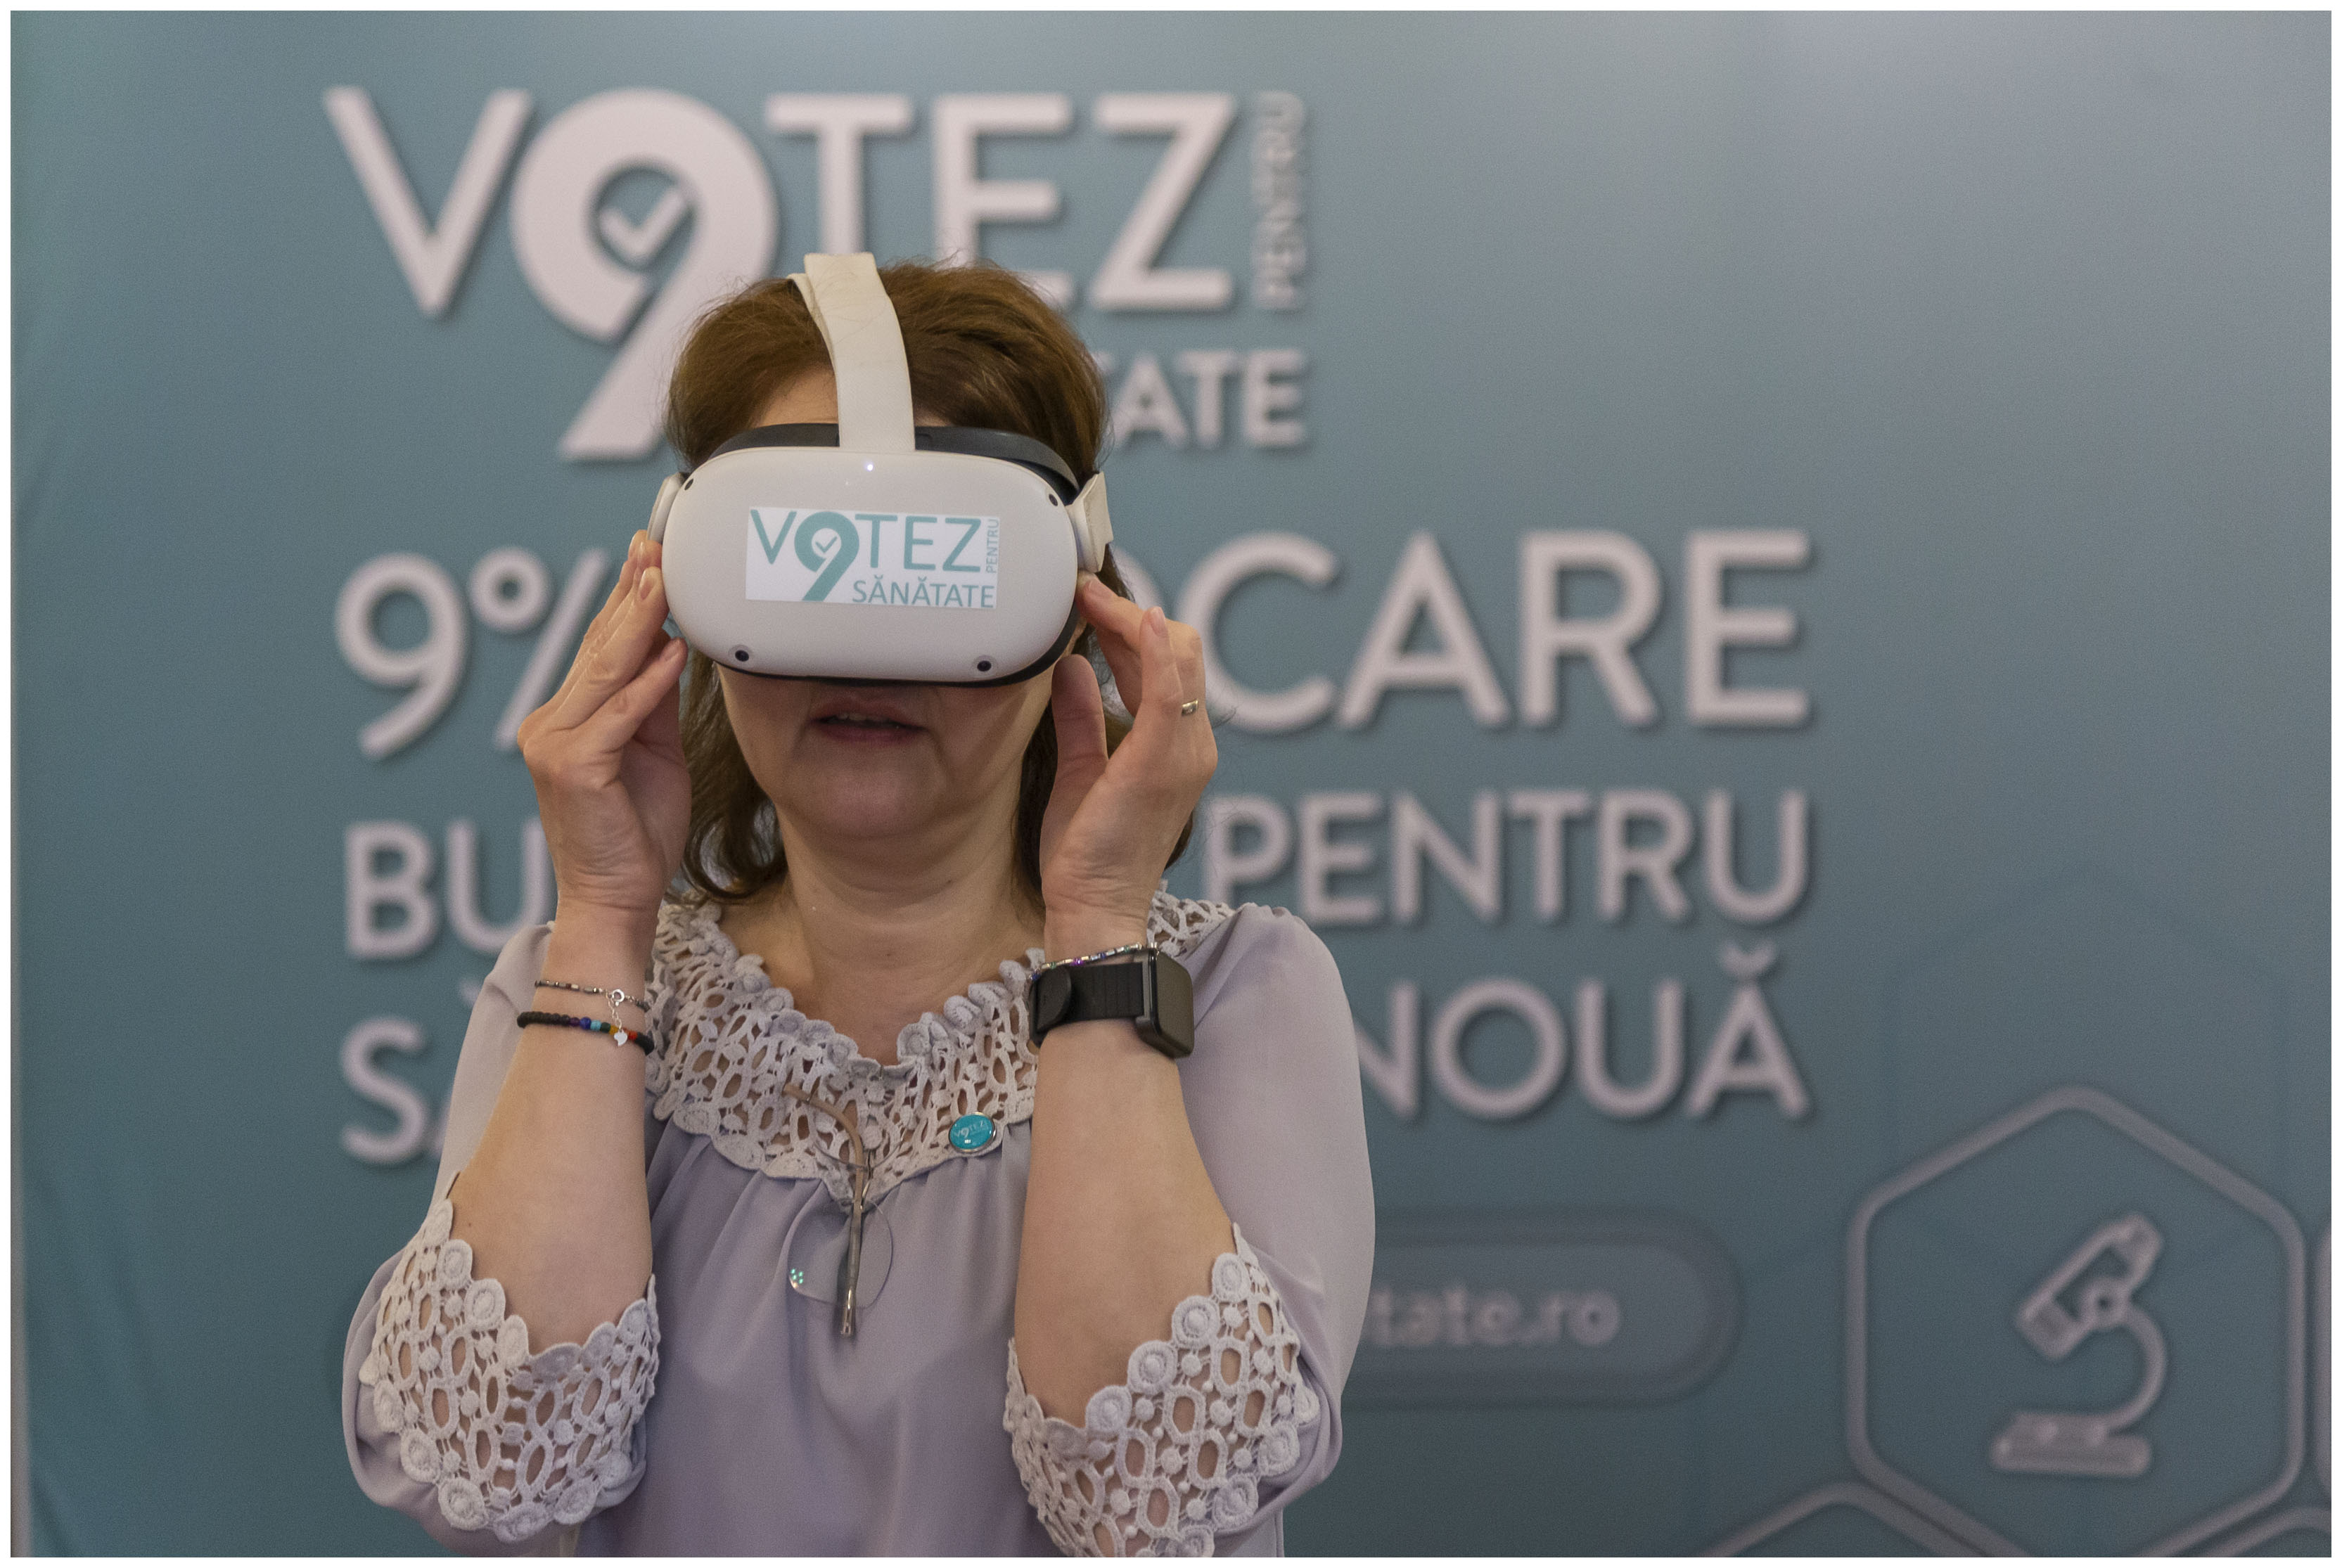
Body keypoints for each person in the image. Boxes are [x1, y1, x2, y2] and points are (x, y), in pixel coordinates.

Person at [340, 259, 1376, 1555]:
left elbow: (1147, 1495)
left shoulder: (1232, 995)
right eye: (804, 562)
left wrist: (1101, 929)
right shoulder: (567, 988)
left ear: (1071, 601)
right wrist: (602, 914)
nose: (866, 646)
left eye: (939, 569)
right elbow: (490, 1468)